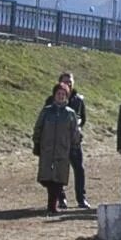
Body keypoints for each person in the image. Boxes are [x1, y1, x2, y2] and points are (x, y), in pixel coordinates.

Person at [32, 81, 82, 213]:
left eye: (63, 94)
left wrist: (74, 146)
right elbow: (38, 127)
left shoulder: (70, 113)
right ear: (54, 95)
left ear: (67, 96)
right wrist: (37, 143)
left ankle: (52, 206)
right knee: (46, 177)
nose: (60, 96)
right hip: (47, 149)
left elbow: (75, 132)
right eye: (58, 94)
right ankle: (52, 203)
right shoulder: (47, 111)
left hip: (63, 150)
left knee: (59, 179)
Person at [56, 68, 93, 210]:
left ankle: (81, 198)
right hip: (59, 141)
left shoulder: (78, 100)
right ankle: (61, 198)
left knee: (79, 170)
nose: (68, 84)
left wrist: (78, 127)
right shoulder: (54, 97)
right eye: (65, 82)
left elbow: (83, 118)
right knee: (59, 170)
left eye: (70, 82)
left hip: (74, 141)